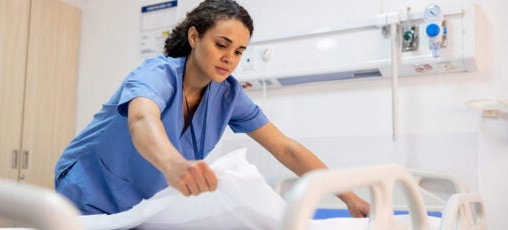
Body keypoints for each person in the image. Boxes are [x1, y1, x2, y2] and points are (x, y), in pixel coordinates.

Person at [55, 0, 370, 217]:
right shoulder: (158, 73)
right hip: (88, 191)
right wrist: (175, 164)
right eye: (221, 45)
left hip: (141, 202)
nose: (230, 58)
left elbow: (285, 148)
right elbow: (141, 118)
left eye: (239, 51)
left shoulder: (228, 94)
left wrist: (348, 196)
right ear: (194, 37)